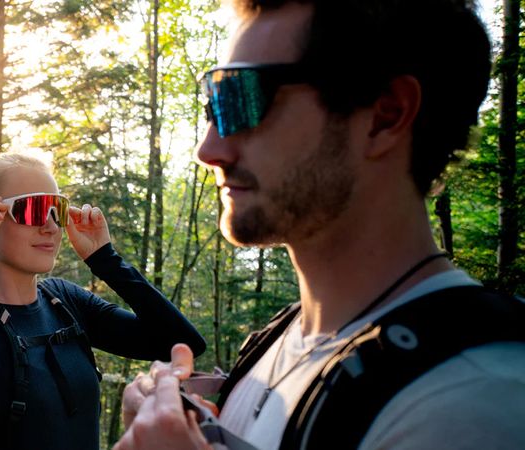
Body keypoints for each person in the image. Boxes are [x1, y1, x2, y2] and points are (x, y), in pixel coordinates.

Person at [114, 1, 525, 449]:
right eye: (215, 106)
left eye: (243, 98)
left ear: (385, 116)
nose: (208, 150)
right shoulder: (279, 342)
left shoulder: (472, 404)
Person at [0, 152, 206, 450]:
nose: (50, 226)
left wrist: (105, 259)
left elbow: (181, 344)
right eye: (33, 210)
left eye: (56, 210)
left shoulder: (64, 301)